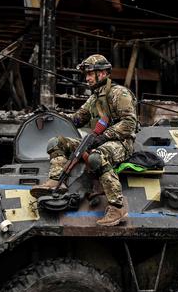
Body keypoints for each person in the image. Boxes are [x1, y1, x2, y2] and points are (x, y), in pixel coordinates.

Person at [30, 54, 138, 226]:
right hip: (98, 140)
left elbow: (129, 124)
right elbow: (77, 119)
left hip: (122, 142)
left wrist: (104, 136)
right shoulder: (94, 98)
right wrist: (51, 115)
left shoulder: (120, 93)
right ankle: (57, 180)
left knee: (96, 157)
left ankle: (117, 207)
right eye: (86, 74)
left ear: (102, 73)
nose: (87, 78)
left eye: (89, 74)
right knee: (56, 142)